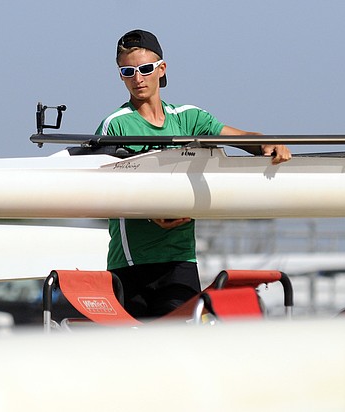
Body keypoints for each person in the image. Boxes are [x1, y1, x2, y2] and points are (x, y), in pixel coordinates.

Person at [95, 29, 291, 318]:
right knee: (139, 353)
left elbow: (240, 137)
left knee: (181, 348)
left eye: (145, 69)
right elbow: (101, 190)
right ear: (120, 75)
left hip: (180, 259)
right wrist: (151, 213)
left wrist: (267, 143)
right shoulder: (115, 125)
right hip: (130, 263)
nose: (138, 78)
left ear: (161, 70)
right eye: (128, 71)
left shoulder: (189, 118)